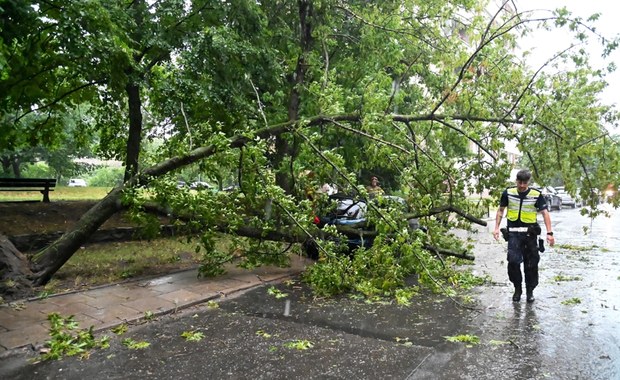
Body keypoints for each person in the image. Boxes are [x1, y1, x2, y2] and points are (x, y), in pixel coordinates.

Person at [492, 169, 555, 303]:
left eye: (524, 183)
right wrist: (496, 228)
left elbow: (545, 214)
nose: (522, 186)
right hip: (514, 234)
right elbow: (500, 210)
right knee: (513, 263)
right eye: (520, 182)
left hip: (530, 235)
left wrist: (549, 233)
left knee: (531, 264)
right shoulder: (508, 193)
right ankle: (517, 289)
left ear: (528, 182)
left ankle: (530, 291)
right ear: (516, 181)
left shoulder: (536, 195)